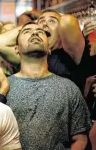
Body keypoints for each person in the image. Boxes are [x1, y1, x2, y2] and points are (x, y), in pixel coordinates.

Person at [6, 22, 92, 150]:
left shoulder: (68, 88)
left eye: (41, 32)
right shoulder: (4, 87)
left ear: (49, 48)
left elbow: (80, 138)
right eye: (27, 31)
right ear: (16, 49)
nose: (35, 33)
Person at [0, 10, 92, 92]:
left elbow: (67, 21)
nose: (44, 24)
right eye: (41, 21)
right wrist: (33, 26)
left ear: (61, 29)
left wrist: (52, 17)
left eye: (52, 21)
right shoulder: (30, 55)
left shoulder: (72, 53)